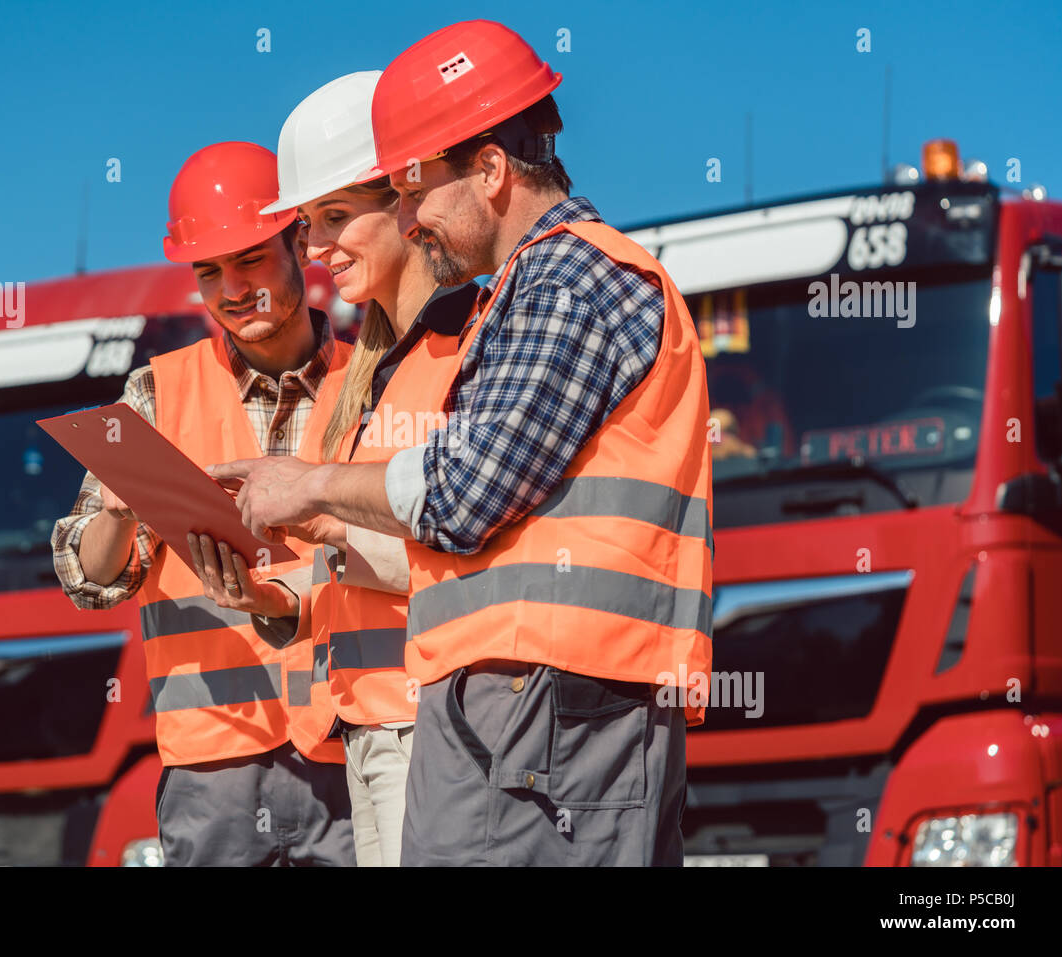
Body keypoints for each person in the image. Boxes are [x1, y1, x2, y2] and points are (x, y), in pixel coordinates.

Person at [212, 20, 714, 866]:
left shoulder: (569, 281)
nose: (408, 219)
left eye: (413, 192)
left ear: (488, 169)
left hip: (550, 705)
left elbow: (463, 492)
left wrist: (311, 488)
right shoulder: (536, 287)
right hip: (533, 705)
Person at [50, 141, 354, 866]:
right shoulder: (155, 394)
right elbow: (87, 581)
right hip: (214, 765)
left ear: (298, 240)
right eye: (209, 270)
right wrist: (122, 511)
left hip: (353, 741)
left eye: (250, 259)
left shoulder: (372, 379)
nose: (230, 288)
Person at [257, 71, 480, 866]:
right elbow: (360, 568)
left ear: (408, 201)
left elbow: (474, 555)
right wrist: (264, 590)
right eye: (309, 224)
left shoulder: (476, 350)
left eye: (337, 218)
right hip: (369, 730)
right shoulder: (364, 376)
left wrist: (319, 516)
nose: (314, 249)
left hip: (443, 730)